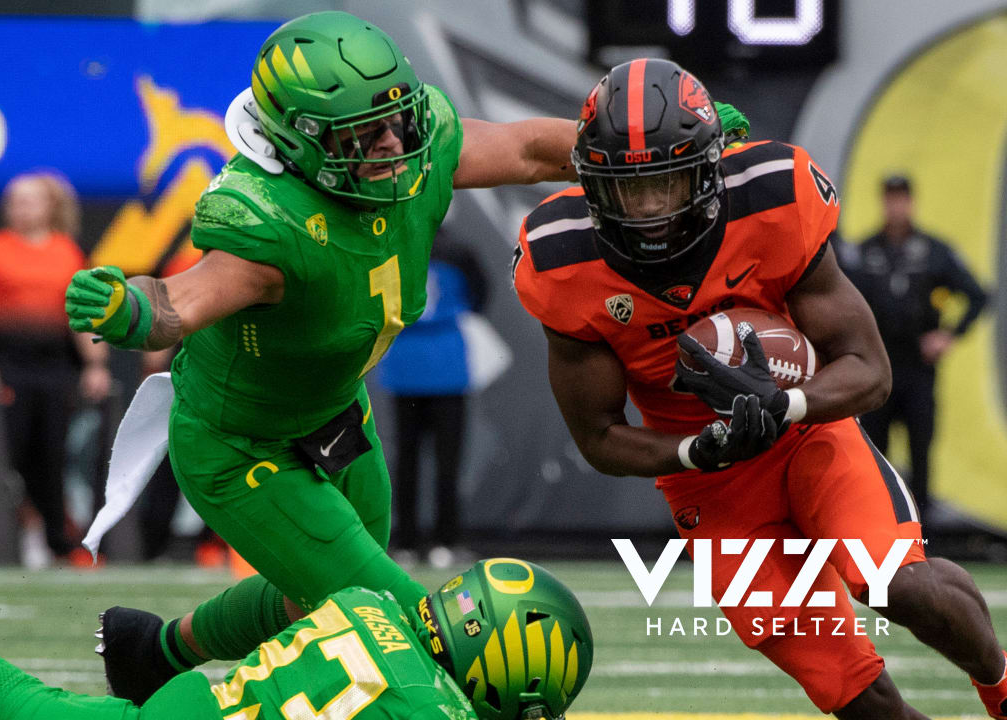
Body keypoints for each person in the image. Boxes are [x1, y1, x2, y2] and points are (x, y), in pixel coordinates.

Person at [63, 10, 604, 700]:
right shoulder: (269, 218)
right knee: (406, 625)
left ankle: (156, 654)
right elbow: (179, 302)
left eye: (396, 121)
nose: (390, 144)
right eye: (361, 134)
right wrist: (129, 310)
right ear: (298, 139)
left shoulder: (413, 146)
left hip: (336, 416)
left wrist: (632, 147)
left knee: (321, 596)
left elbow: (530, 150)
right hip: (240, 446)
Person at [511, 57, 1007, 718]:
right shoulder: (563, 258)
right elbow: (599, 436)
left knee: (900, 585)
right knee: (853, 692)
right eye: (631, 189)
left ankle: (1001, 688)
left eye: (669, 180)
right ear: (593, 185)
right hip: (708, 481)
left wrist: (786, 403)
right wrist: (697, 450)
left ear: (711, 167)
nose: (652, 208)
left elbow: (868, 368)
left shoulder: (771, 198)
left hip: (807, 435)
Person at [0, 469, 593, 720]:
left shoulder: (372, 606)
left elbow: (285, 596)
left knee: (8, 703)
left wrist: (173, 647)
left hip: (194, 703)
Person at [0, 171, 110, 566]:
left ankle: (60, 541)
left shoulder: (67, 252)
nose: (20, 208)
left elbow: (82, 316)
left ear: (49, 207)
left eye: (29, 200)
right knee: (3, 456)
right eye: (14, 200)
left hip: (55, 370)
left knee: (54, 456)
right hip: (8, 368)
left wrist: (95, 364)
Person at [851, 175, 988, 518]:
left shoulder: (934, 251)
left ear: (911, 202)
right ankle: (877, 531)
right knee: (873, 454)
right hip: (878, 368)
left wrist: (948, 335)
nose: (896, 206)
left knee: (920, 452)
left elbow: (978, 295)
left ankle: (924, 538)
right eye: (890, 198)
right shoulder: (864, 252)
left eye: (902, 199)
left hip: (918, 369)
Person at [377, 230, 490, 568]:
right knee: (447, 463)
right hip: (446, 363)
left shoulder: (393, 246)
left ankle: (406, 544)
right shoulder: (458, 248)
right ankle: (446, 542)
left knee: (405, 461)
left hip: (405, 364)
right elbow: (480, 297)